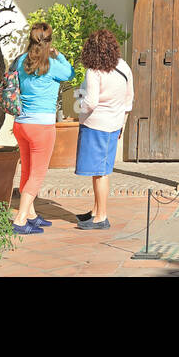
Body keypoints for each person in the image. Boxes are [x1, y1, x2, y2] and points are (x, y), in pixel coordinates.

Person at [11, 22, 73, 234]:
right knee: (37, 175)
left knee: (27, 170)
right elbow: (70, 73)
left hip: (21, 124)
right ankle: (20, 220)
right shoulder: (52, 64)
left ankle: (31, 214)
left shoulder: (20, 61)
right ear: (49, 41)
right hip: (41, 127)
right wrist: (59, 55)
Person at [72, 28, 134, 230]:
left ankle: (102, 217)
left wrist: (76, 106)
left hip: (95, 125)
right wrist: (122, 125)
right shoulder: (124, 66)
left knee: (100, 172)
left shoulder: (94, 71)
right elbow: (128, 99)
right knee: (100, 171)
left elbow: (90, 102)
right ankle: (96, 210)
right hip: (114, 125)